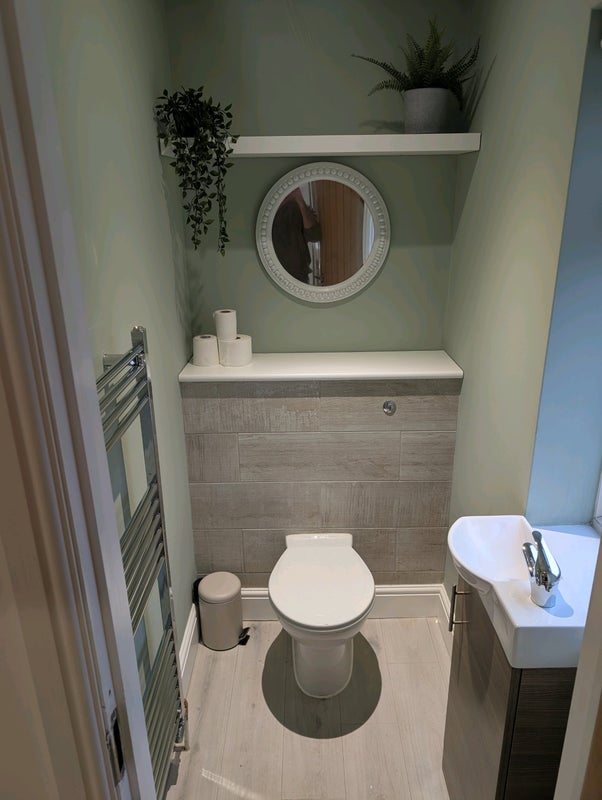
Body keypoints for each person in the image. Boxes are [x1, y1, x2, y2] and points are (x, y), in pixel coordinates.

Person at [271, 187, 321, 283]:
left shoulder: (296, 208)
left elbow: (314, 235)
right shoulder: (267, 211)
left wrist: (300, 201)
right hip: (271, 272)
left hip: (297, 275)